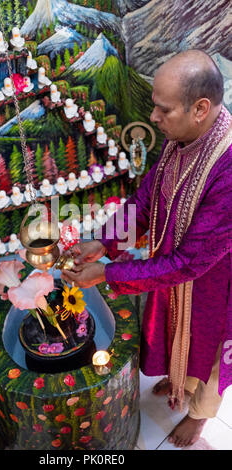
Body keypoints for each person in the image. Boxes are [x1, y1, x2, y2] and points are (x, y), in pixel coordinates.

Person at [61, 49, 232, 448]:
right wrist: (102, 243)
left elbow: (190, 262)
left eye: (163, 109)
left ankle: (198, 415)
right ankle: (177, 378)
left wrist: (105, 272)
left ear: (200, 109)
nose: (153, 118)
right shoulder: (184, 137)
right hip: (172, 264)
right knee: (172, 327)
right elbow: (147, 200)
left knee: (207, 351)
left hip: (214, 283)